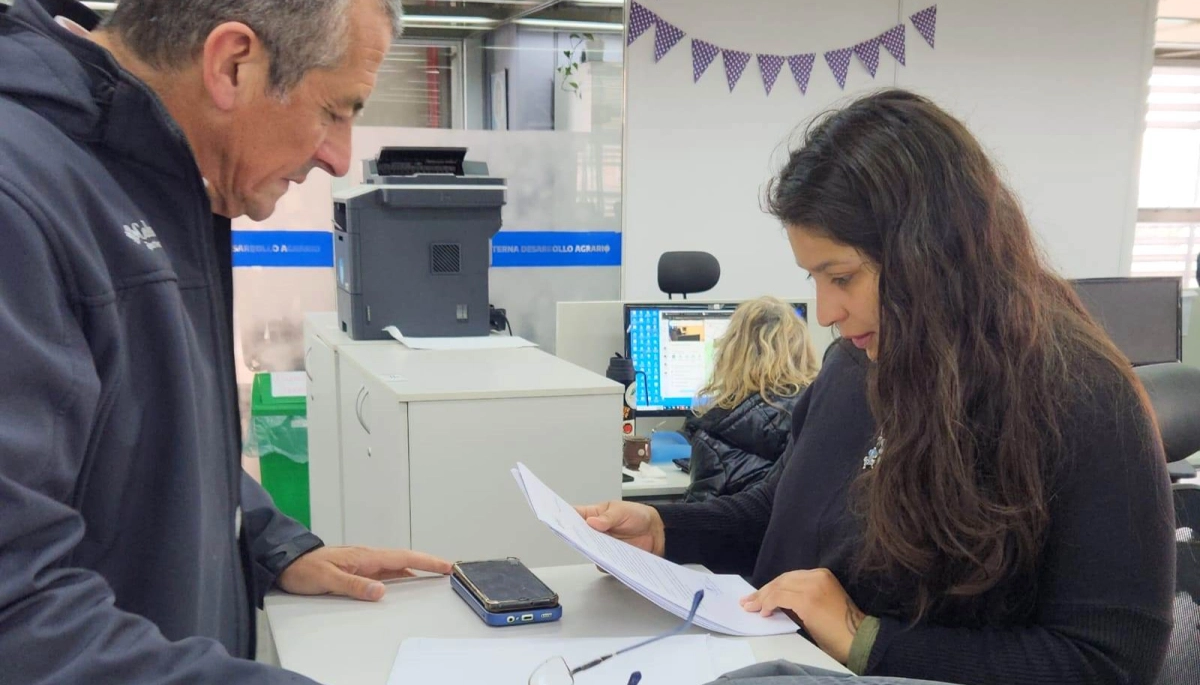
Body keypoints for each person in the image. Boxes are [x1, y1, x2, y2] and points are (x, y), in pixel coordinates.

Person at [576, 89, 1176, 685]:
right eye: (814, 278)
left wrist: (867, 638)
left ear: (934, 254)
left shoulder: (1084, 400)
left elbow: (1108, 661)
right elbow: (786, 512)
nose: (826, 311)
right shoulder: (852, 366)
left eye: (843, 277)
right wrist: (667, 530)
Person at [0, 1, 451, 682]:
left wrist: (271, 543)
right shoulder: (21, 200)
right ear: (232, 64)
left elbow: (143, 433)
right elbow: (18, 615)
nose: (339, 156)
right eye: (336, 109)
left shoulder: (158, 175)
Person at [682, 296, 819, 502]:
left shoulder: (713, 439)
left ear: (731, 352)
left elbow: (699, 524)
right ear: (802, 350)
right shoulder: (822, 413)